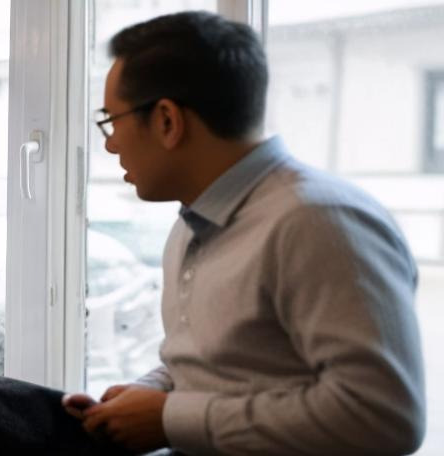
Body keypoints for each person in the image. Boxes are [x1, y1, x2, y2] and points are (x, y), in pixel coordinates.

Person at [64, 11, 426, 455]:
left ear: (166, 121)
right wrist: (140, 399)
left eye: (111, 120)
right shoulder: (191, 224)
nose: (110, 143)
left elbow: (383, 417)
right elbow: (218, 364)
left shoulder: (318, 222)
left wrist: (169, 418)